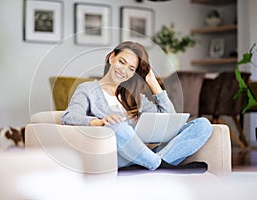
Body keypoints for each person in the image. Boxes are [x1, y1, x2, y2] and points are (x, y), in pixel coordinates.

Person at [61, 41, 212, 171]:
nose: (124, 71)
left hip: (141, 156)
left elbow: (169, 121)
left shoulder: (134, 98)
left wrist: (153, 83)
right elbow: (69, 117)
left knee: (203, 125)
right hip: (114, 156)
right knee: (117, 125)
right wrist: (99, 122)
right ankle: (160, 166)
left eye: (132, 69)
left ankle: (151, 165)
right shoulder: (87, 90)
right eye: (122, 62)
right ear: (112, 57)